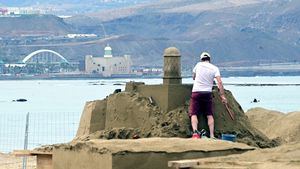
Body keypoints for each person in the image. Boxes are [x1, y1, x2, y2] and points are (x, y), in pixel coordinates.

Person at [189, 52, 227, 139]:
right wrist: (222, 96)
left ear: (201, 59)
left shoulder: (198, 65)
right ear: (209, 59)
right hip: (207, 93)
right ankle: (212, 135)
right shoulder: (215, 68)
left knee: (194, 113)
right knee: (209, 114)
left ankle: (195, 133)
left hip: (196, 92)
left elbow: (193, 77)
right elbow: (220, 82)